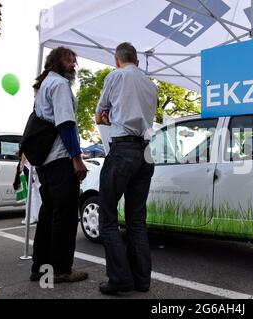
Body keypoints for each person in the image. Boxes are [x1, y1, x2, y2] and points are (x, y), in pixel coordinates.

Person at [95, 42, 157, 295]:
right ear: (137, 61)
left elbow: (100, 114)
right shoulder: (150, 84)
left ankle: (120, 280)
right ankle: (142, 280)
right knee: (137, 220)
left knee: (108, 218)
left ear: (117, 59)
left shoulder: (115, 76)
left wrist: (109, 116)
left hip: (122, 150)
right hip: (146, 152)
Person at [29, 46, 88, 284]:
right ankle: (62, 269)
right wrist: (77, 158)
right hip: (60, 159)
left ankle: (40, 269)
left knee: (48, 215)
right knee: (64, 217)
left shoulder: (44, 85)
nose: (73, 64)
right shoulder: (60, 85)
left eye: (75, 61)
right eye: (68, 60)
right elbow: (65, 124)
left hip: (45, 162)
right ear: (56, 62)